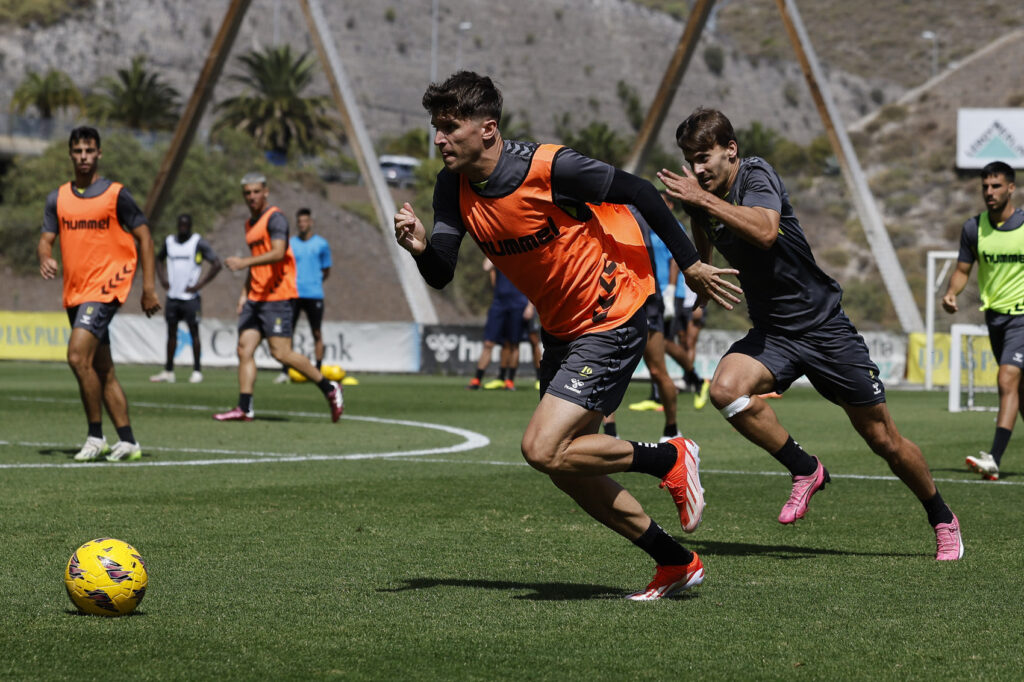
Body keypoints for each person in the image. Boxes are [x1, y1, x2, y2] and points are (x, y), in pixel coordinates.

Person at [394, 72, 742, 599]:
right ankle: (675, 562)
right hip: (561, 329)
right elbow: (442, 270)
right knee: (566, 467)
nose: (438, 139)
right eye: (436, 127)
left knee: (541, 448)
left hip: (614, 310)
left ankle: (669, 458)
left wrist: (690, 263)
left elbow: (641, 192)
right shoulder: (452, 186)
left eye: (449, 127)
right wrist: (420, 247)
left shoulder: (550, 167)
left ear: (488, 130)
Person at [659, 107, 963, 560]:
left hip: (824, 328)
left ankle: (942, 517)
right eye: (690, 159)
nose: (698, 169)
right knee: (725, 390)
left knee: (884, 440)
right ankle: (805, 469)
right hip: (774, 334)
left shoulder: (756, 175)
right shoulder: (701, 196)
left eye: (705, 157)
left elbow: (764, 231)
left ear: (731, 151)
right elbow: (704, 232)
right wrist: (700, 271)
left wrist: (701, 202)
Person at [37, 126, 160, 462]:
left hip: (107, 287)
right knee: (103, 370)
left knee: (77, 357)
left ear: (99, 154)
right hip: (75, 292)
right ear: (70, 154)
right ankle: (129, 441)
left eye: (90, 151)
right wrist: (45, 258)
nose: (84, 157)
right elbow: (46, 239)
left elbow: (145, 238)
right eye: (78, 151)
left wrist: (148, 288)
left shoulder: (116, 194)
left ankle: (95, 436)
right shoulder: (58, 198)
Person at [214, 173, 343, 423]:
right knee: (244, 349)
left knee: (281, 353)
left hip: (277, 296)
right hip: (256, 297)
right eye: (247, 193)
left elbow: (277, 252)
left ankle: (330, 388)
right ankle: (244, 407)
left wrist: (243, 262)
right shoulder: (249, 224)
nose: (251, 197)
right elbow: (257, 266)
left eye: (255, 191)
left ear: (266, 192)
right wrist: (244, 293)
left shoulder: (276, 218)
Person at [943, 160, 1024, 481]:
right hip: (996, 319)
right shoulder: (974, 228)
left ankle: (994, 459)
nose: (989, 192)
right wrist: (951, 293)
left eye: (996, 186)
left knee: (1006, 380)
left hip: (1022, 316)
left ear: (1011, 188)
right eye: (985, 187)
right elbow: (963, 271)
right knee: (1020, 393)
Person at [150, 213, 222, 384]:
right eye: (180, 225)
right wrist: (162, 280)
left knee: (194, 333)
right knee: (171, 334)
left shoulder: (198, 243)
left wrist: (199, 285)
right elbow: (158, 260)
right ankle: (168, 370)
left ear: (190, 226)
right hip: (173, 297)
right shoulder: (169, 242)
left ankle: (197, 371)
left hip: (191, 298)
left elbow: (216, 264)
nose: (183, 228)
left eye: (186, 225)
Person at [273, 207, 333, 384]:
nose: (302, 224)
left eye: (305, 221)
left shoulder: (321, 244)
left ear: (311, 222)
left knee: (316, 332)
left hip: (314, 294)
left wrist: (314, 282)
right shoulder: (290, 243)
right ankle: (285, 371)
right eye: (299, 222)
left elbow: (326, 269)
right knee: (288, 332)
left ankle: (318, 370)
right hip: (293, 293)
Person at [468, 258, 528, 391]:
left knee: (514, 344)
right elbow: (486, 266)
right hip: (499, 304)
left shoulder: (523, 253)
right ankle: (477, 379)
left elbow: (533, 280)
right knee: (488, 343)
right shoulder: (498, 252)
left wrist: (530, 306)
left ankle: (509, 381)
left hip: (518, 303)